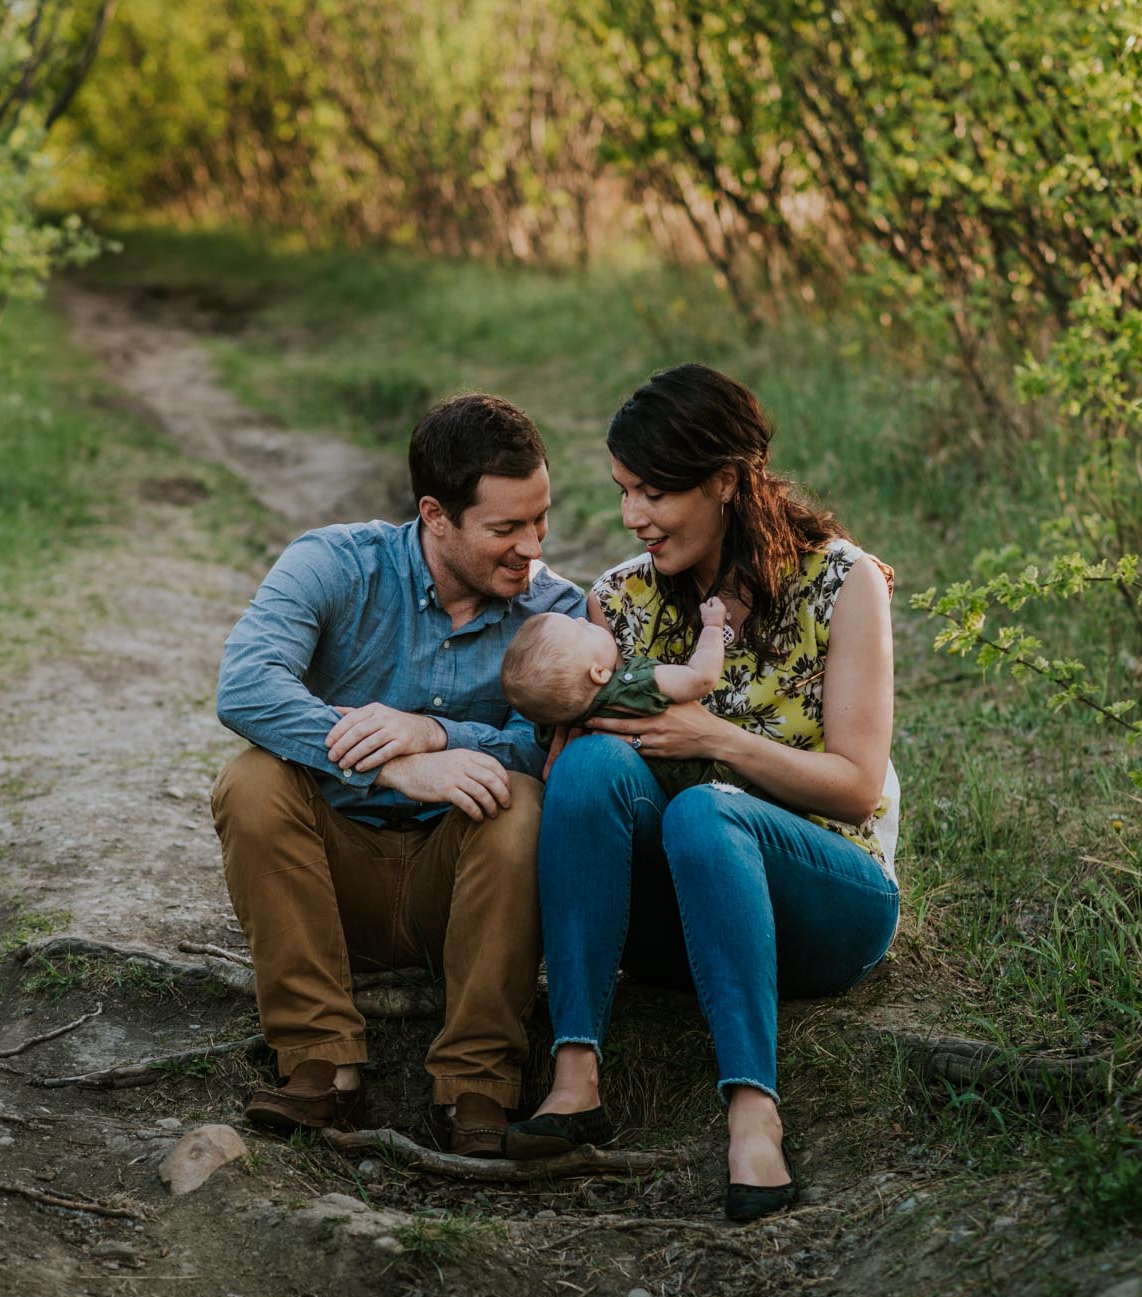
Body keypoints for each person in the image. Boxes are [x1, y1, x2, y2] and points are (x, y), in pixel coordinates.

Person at [503, 364, 900, 1222]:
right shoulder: (620, 597)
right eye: (623, 491)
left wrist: (717, 740)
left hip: (830, 903)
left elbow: (858, 789)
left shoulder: (843, 583)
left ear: (724, 478)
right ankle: (576, 1076)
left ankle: (754, 1116)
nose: (633, 515)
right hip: (674, 919)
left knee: (706, 807)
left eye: (654, 490)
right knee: (590, 764)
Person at [210, 392, 583, 1157]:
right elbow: (246, 685)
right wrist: (399, 763)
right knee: (250, 780)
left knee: (525, 803)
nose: (531, 546)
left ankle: (476, 1083)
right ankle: (321, 1063)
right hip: (332, 876)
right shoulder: (334, 563)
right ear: (435, 516)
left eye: (540, 519)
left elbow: (545, 740)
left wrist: (440, 730)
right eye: (505, 528)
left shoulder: (557, 610)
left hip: (465, 889)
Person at [499, 596, 729, 797]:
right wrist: (713, 627)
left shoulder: (555, 728)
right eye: (584, 628)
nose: (582, 619)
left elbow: (550, 772)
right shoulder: (632, 686)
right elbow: (702, 678)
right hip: (709, 782)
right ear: (599, 672)